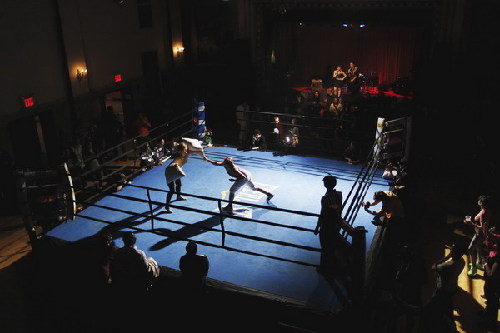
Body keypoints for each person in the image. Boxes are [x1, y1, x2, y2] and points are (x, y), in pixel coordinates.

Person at [314, 175, 355, 275]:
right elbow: (339, 207)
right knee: (334, 241)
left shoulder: (325, 198)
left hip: (327, 224)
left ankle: (324, 268)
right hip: (337, 221)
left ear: (325, 184)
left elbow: (322, 213)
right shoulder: (339, 194)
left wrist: (317, 226)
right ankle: (336, 262)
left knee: (325, 245)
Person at [207, 157, 273, 214]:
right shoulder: (226, 164)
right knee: (253, 188)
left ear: (228, 164)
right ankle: (268, 194)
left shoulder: (234, 169)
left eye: (224, 161)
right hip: (248, 174)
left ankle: (229, 207)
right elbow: (216, 163)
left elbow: (242, 177)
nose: (223, 162)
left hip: (244, 177)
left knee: (232, 191)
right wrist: (208, 160)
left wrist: (234, 180)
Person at [425, 242, 466, 332]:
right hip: (452, 288)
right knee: (448, 309)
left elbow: (434, 267)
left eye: (451, 250)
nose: (450, 251)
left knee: (432, 308)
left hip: (442, 290)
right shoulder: (462, 261)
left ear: (454, 253)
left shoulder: (446, 266)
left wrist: (445, 258)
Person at [464, 195, 495, 277]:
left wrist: (471, 223)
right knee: (479, 247)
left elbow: (482, 227)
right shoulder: (487, 211)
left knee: (470, 249)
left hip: (479, 234)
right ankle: (478, 263)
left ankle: (473, 269)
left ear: (481, 203)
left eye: (479, 200)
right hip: (481, 234)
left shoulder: (483, 213)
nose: (477, 201)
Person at [164, 142, 189, 213]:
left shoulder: (183, 154)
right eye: (185, 149)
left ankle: (178, 196)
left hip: (176, 171)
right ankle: (167, 205)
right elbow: (174, 162)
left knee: (179, 184)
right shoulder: (177, 155)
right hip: (170, 172)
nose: (186, 151)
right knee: (172, 190)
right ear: (181, 150)